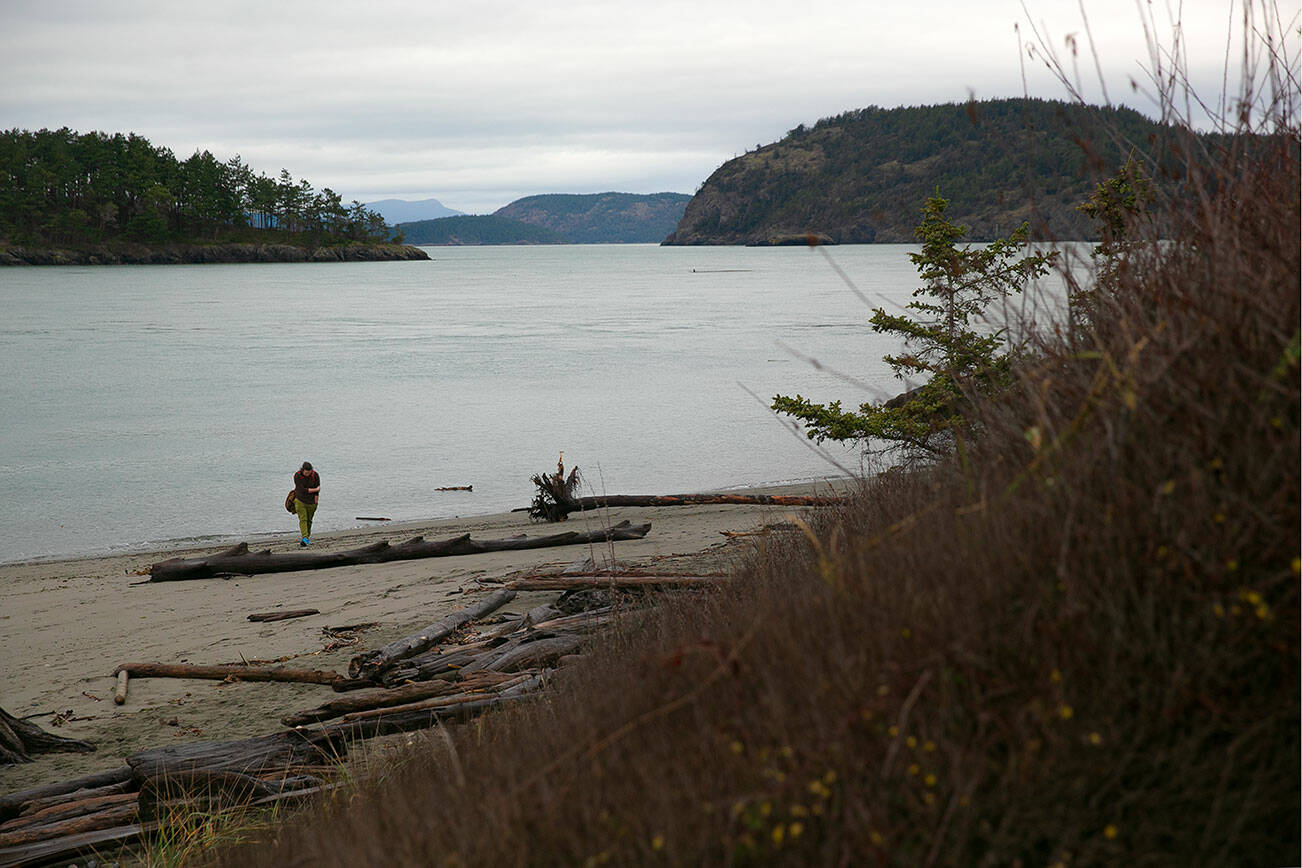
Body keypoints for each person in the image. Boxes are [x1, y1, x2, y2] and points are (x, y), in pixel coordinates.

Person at [293, 461, 321, 546]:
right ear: (302, 470)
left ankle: (306, 539)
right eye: (306, 473)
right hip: (300, 500)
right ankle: (304, 537)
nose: (307, 474)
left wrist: (316, 502)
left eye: (309, 473)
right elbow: (302, 490)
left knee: (309, 520)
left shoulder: (315, 475)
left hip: (312, 502)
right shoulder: (297, 475)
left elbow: (317, 489)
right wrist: (315, 490)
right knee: (303, 519)